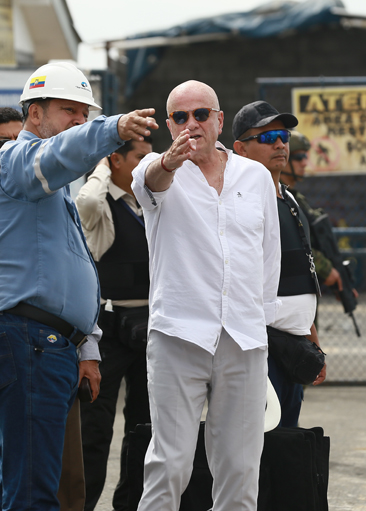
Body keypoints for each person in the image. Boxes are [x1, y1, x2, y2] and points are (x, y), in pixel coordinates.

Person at [0, 62, 157, 511]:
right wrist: (112, 127)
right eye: (69, 110)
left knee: (29, 479)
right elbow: (58, 154)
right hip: (31, 341)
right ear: (33, 115)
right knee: (33, 489)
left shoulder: (52, 190)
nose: (79, 120)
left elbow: (79, 268)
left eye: (85, 112)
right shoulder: (15, 160)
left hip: (48, 344)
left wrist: (88, 346)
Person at [130, 81, 281, 511]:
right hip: (180, 335)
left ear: (218, 119)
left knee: (240, 469)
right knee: (170, 464)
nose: (191, 124)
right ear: (168, 124)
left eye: (200, 115)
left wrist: (263, 321)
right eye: (180, 117)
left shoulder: (254, 176)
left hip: (243, 339)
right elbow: (154, 180)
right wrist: (169, 160)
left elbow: (269, 255)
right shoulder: (153, 170)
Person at [232, 100, 326, 427]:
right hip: (261, 348)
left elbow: (302, 272)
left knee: (286, 444)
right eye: (268, 136)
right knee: (260, 443)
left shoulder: (288, 199)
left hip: (294, 345)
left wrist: (312, 339)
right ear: (240, 149)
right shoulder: (240, 203)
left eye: (283, 135)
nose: (280, 144)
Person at [75, 137, 153, 511]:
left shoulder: (152, 203)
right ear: (115, 160)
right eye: (139, 156)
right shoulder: (102, 205)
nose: (147, 161)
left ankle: (131, 504)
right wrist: (101, 168)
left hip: (151, 329)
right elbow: (85, 201)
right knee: (94, 428)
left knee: (144, 427)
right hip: (109, 330)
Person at [279, 131, 345, 294]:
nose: (304, 163)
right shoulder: (276, 194)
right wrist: (325, 269)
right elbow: (293, 242)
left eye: (305, 157)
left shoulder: (296, 197)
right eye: (299, 157)